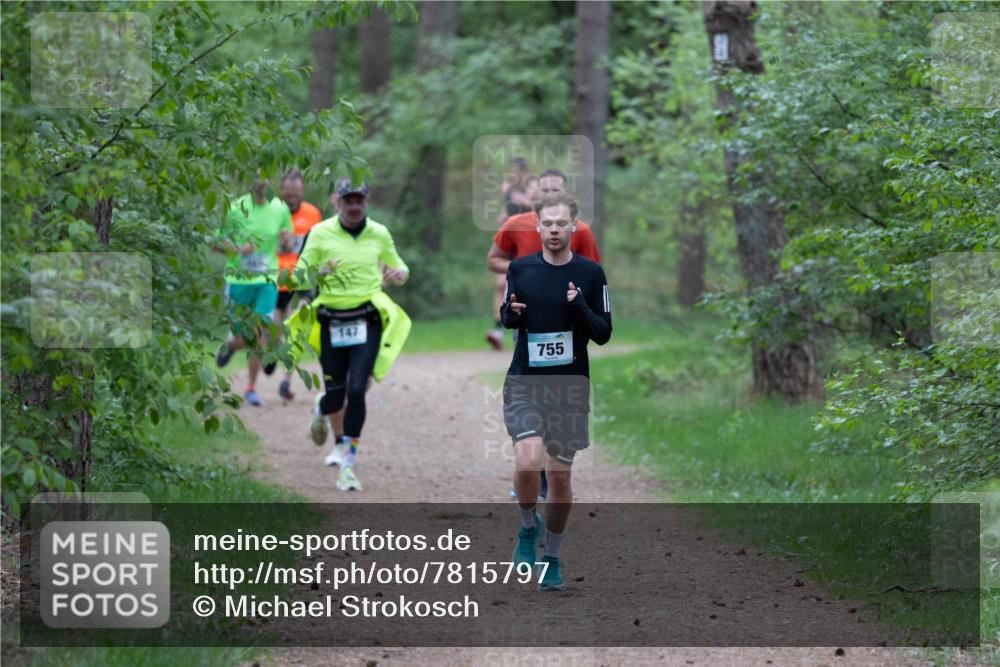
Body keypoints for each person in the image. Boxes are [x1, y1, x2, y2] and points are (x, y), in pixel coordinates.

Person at [500, 192, 612, 591]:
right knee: (529, 461)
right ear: (537, 226)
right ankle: (528, 527)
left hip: (569, 386)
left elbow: (603, 334)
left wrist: (580, 306)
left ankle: (553, 556)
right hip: (525, 381)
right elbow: (507, 318)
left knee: (560, 478)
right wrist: (510, 314)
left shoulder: (591, 274)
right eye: (547, 223)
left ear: (573, 227)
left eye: (561, 224)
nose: (553, 230)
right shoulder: (520, 268)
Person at [488, 168, 603, 501]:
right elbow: (494, 259)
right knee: (530, 404)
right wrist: (521, 278)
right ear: (536, 196)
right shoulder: (515, 226)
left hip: (566, 321)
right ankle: (531, 470)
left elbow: (592, 273)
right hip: (529, 312)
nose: (554, 227)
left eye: (557, 189)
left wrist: (575, 297)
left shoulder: (580, 232)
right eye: (545, 189)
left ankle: (548, 478)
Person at [294, 179, 409, 492]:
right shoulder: (319, 233)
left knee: (358, 390)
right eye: (349, 200)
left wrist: (399, 273)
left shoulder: (379, 232)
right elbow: (298, 273)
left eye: (359, 200)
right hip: (331, 320)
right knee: (336, 393)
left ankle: (348, 461)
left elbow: (399, 265)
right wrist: (314, 281)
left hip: (367, 318)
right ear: (337, 202)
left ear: (366, 202)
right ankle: (322, 406)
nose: (355, 206)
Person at [215, 175, 292, 407]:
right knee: (243, 338)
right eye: (257, 178)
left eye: (266, 178)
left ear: (271, 182)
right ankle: (230, 345)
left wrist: (286, 242)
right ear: (251, 181)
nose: (262, 183)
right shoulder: (236, 208)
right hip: (238, 281)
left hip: (266, 280)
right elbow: (216, 242)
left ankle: (251, 388)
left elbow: (285, 243)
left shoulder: (280, 208)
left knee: (259, 333)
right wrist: (238, 250)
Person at [274, 170, 323, 401]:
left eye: (296, 194)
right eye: (288, 194)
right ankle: (273, 352)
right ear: (282, 190)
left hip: (302, 277)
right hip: (277, 277)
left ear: (302, 191)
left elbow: (321, 244)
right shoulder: (272, 213)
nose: (292, 198)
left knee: (297, 324)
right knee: (275, 327)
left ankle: (286, 380)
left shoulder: (313, 214)